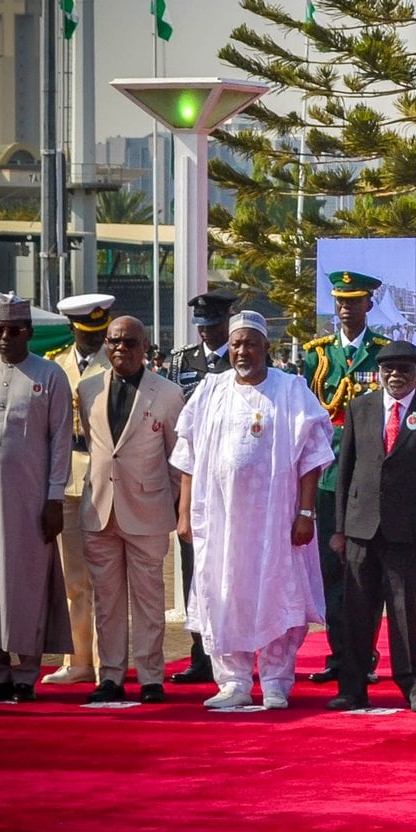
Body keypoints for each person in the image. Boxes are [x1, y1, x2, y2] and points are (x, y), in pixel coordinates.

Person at [172, 311, 335, 711]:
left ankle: (277, 681)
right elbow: (188, 456)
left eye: (251, 343)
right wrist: (184, 511)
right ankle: (234, 681)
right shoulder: (210, 390)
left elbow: (312, 458)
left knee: (277, 590)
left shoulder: (291, 389)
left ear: (267, 348)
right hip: (221, 519)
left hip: (275, 519)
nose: (243, 351)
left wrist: (306, 513)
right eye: (238, 344)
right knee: (223, 591)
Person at [327, 339, 416, 712]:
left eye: (404, 370)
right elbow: (346, 471)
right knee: (357, 612)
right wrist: (340, 528)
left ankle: (413, 685)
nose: (395, 376)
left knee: (404, 611)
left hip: (409, 531)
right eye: (388, 369)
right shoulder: (361, 408)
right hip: (361, 528)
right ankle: (352, 687)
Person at [0, 295, 72, 703]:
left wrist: (54, 497)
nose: (5, 338)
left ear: (30, 331)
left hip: (31, 500)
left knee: (27, 582)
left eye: (14, 330)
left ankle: (26, 675)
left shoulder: (50, 375)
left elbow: (61, 440)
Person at [77, 315, 184, 706]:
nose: (121, 349)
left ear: (145, 347)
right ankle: (111, 675)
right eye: (114, 341)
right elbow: (98, 446)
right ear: (105, 344)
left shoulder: (168, 394)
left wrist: (169, 501)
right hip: (100, 508)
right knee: (106, 602)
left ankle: (152, 676)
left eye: (130, 343)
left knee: (149, 600)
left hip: (148, 509)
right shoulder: (88, 388)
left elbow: (177, 458)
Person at [302, 270, 389, 686]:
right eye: (339, 300)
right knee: (331, 572)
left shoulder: (383, 353)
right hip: (327, 477)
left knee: (367, 572)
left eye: (354, 301)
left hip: (367, 479)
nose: (345, 308)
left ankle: (366, 653)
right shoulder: (316, 356)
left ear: (368, 304)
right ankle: (340, 654)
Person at [40, 291, 114, 687]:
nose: (95, 340)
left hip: (104, 479)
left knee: (106, 577)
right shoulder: (56, 367)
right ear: (73, 330)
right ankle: (79, 659)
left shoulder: (117, 364)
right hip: (67, 478)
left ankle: (109, 664)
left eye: (100, 332)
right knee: (74, 580)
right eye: (87, 334)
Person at [164, 291, 235, 684]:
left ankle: (233, 651)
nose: (207, 332)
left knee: (230, 569)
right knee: (194, 571)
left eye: (214, 325)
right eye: (202, 326)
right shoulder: (181, 361)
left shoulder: (244, 354)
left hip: (233, 478)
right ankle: (200, 654)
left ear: (228, 321)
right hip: (193, 478)